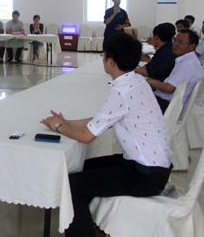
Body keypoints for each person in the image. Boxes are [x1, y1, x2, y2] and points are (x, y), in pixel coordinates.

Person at [40, 33, 172, 237]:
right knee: (82, 168)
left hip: (145, 175)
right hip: (149, 166)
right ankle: (93, 225)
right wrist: (67, 123)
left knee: (73, 185)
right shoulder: (137, 81)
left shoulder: (121, 92)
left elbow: (86, 136)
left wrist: (58, 127)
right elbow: (105, 119)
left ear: (110, 62)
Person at [148, 29, 204, 113]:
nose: (175, 44)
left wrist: (151, 81)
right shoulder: (189, 60)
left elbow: (169, 88)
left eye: (180, 42)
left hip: (167, 105)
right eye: (175, 40)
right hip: (167, 101)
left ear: (192, 46)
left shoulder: (187, 64)